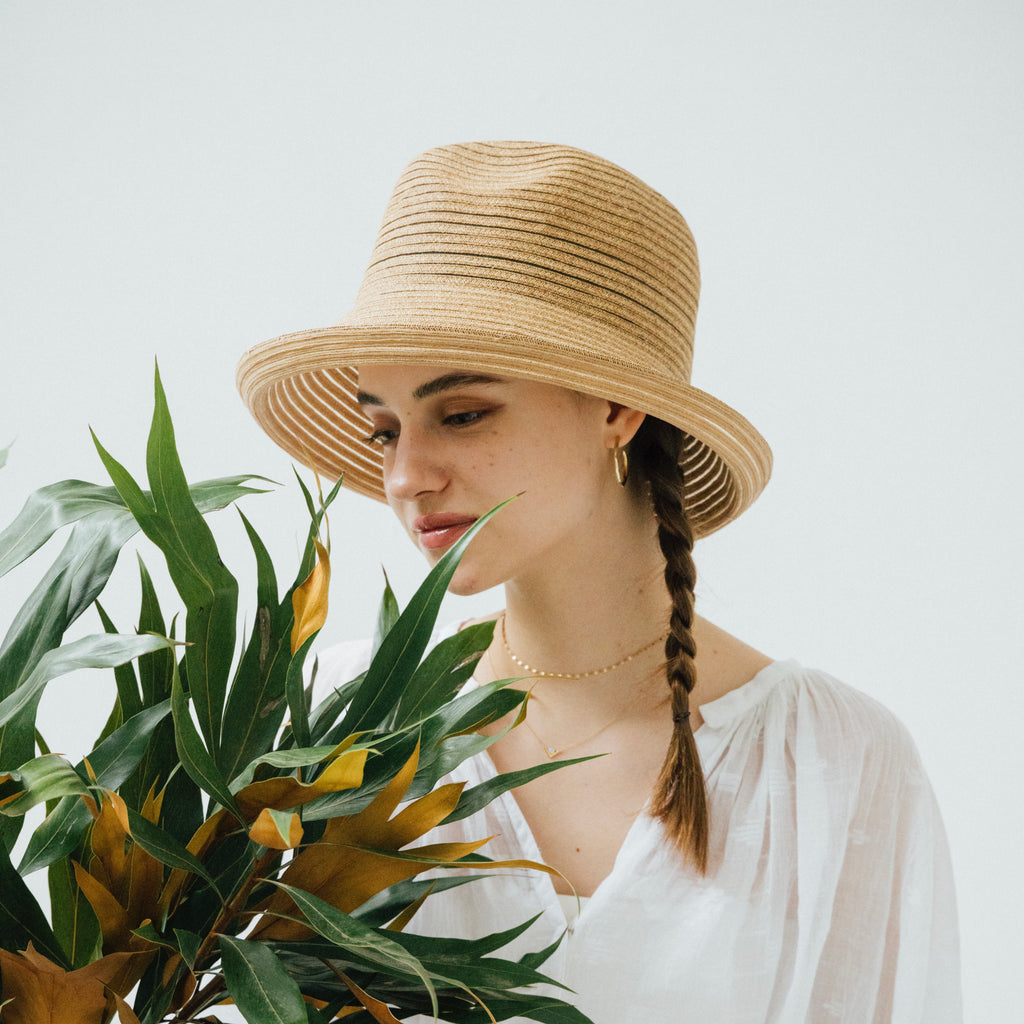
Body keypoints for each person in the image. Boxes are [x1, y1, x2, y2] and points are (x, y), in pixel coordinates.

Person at [237, 141, 961, 1022]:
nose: (404, 476)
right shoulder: (337, 723)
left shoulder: (828, 764)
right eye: (385, 429)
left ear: (616, 406)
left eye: (461, 414)